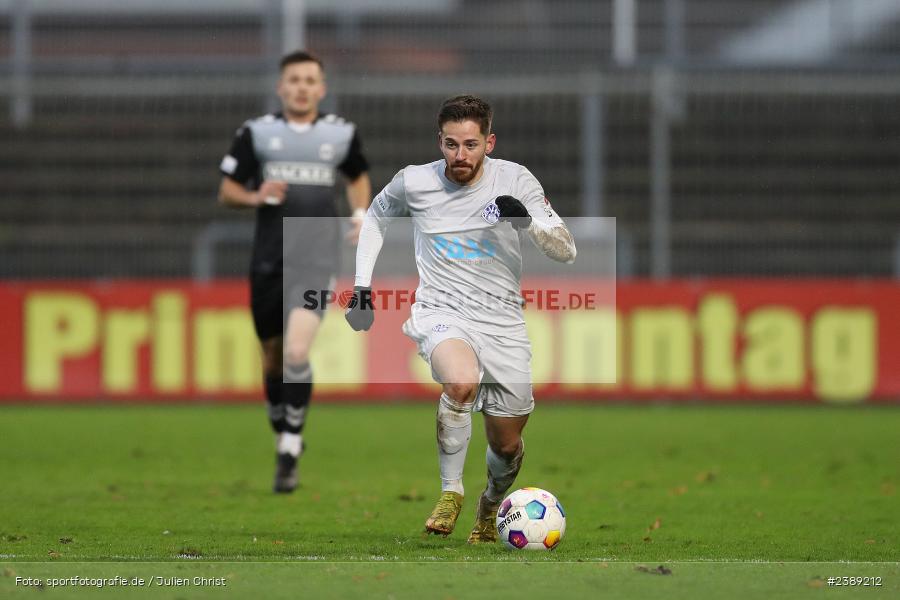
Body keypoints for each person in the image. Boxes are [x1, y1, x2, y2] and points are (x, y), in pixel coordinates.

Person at [345, 95, 575, 543]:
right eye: (451, 144)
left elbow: (566, 249)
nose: (460, 155)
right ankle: (451, 492)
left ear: (489, 142)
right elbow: (375, 217)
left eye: (471, 145)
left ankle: (490, 505)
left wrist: (527, 221)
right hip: (442, 311)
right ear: (440, 141)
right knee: (461, 382)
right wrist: (361, 287)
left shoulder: (516, 179)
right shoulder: (415, 182)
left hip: (503, 323)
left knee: (506, 445)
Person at [218, 50, 371, 493]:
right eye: (294, 80)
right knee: (271, 357)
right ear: (281, 87)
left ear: (321, 88)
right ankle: (281, 424)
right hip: (269, 259)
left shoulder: (340, 134)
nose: (302, 87)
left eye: (309, 80)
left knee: (296, 352)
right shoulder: (257, 133)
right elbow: (227, 190)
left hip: (317, 258)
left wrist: (360, 212)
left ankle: (289, 447)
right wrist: (255, 195)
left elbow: (357, 175)